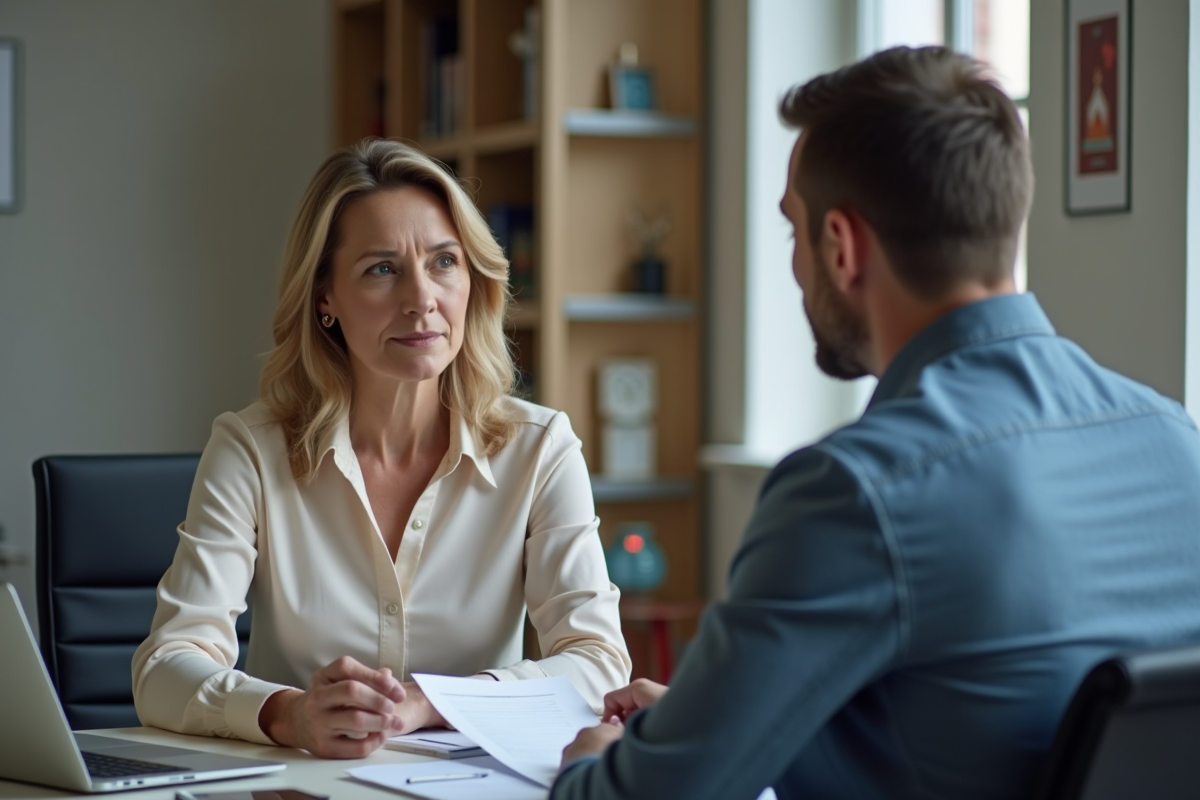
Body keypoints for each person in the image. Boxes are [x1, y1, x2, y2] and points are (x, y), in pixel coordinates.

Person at [552, 46, 1200, 800]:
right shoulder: (1175, 442)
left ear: (842, 245)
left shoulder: (856, 492)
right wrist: (705, 726)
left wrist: (590, 764)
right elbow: (980, 723)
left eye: (794, 232)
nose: (795, 266)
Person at [133, 139, 630, 759]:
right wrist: (290, 715)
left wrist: (434, 701)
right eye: (382, 268)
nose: (422, 297)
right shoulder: (251, 450)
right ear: (325, 300)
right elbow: (165, 667)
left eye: (444, 262)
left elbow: (598, 661)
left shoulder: (540, 449)